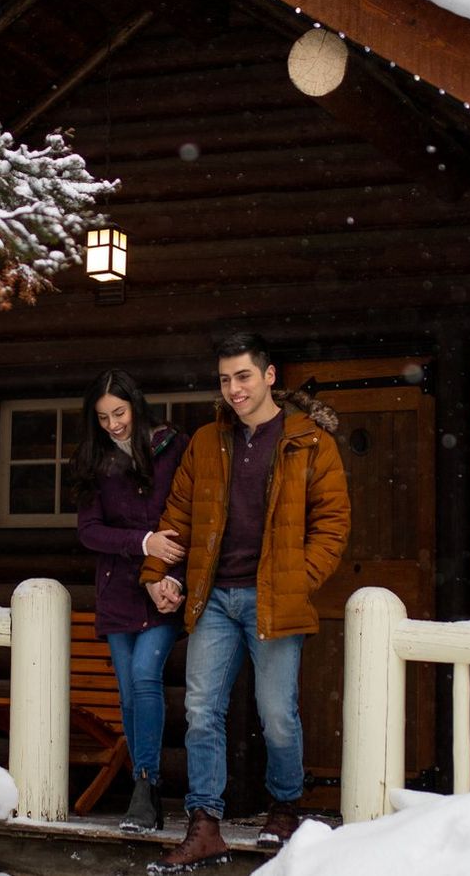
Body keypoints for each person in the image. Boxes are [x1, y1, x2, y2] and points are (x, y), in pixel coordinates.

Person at [141, 333, 351, 874]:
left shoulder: (309, 442)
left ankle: (285, 806)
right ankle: (204, 823)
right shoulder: (208, 441)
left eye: (243, 377)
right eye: (225, 379)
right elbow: (179, 513)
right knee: (200, 710)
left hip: (273, 598)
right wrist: (156, 571)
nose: (233, 389)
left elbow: (332, 525)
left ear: (269, 376)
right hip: (214, 598)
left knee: (277, 713)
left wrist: (296, 579)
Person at [72, 369, 190, 833]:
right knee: (128, 692)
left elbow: (188, 517)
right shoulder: (93, 460)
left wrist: (172, 579)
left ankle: (145, 784)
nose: (113, 425)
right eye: (102, 417)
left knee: (145, 677)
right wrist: (143, 543)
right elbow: (89, 531)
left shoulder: (172, 448)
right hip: (118, 590)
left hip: (164, 591)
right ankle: (149, 793)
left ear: (135, 407)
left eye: (118, 413)